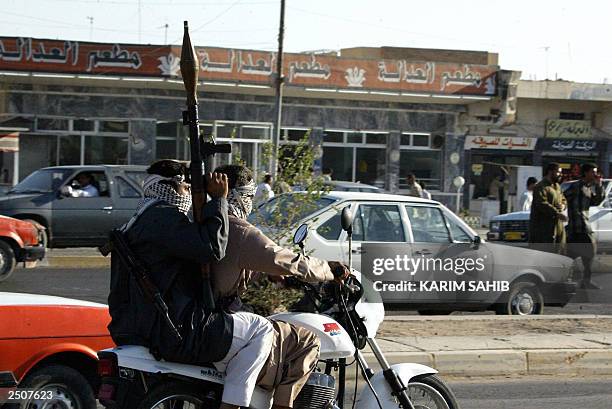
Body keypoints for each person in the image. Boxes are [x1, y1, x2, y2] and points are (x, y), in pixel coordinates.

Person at [106, 160, 274, 409]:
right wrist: (218, 200)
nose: (187, 194)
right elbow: (211, 248)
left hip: (138, 326)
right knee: (261, 328)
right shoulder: (163, 218)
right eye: (185, 188)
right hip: (174, 331)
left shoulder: (139, 219)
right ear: (170, 188)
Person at [211, 164, 350, 409]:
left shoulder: (202, 221)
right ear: (239, 196)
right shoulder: (237, 228)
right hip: (220, 318)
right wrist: (331, 270)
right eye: (249, 197)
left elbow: (228, 266)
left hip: (208, 314)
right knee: (305, 340)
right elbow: (283, 259)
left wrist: (267, 276)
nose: (251, 203)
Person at [564, 163, 605, 289]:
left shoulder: (588, 188)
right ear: (586, 173)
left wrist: (599, 185)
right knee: (570, 256)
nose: (595, 174)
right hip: (576, 227)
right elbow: (563, 197)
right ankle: (565, 280)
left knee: (588, 254)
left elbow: (597, 201)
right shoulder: (576, 186)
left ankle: (585, 281)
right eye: (593, 172)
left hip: (584, 226)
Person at [528, 163, 567, 254]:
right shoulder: (540, 187)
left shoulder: (557, 187)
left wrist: (563, 205)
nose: (560, 175)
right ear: (550, 172)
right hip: (543, 230)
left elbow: (563, 199)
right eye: (558, 172)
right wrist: (557, 213)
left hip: (558, 227)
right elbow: (542, 204)